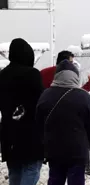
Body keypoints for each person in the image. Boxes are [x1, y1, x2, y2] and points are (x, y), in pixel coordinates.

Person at [36, 60, 90, 185]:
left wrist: (45, 143)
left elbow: (38, 124)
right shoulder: (83, 97)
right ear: (75, 76)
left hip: (54, 151)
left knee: (55, 180)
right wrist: (87, 144)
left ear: (57, 75)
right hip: (77, 151)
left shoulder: (45, 95)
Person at [0, 38, 44, 185]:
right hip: (30, 135)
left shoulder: (2, 75)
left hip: (9, 135)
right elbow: (40, 104)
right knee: (31, 170)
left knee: (15, 172)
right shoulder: (32, 74)